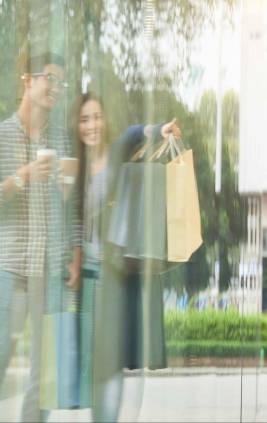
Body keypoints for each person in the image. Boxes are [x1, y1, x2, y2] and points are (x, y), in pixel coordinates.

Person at [71, 91, 181, 421]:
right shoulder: (75, 167)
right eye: (84, 119)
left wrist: (159, 129)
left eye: (97, 117)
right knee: (88, 361)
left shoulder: (116, 152)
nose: (91, 125)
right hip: (83, 280)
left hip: (112, 274)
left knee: (110, 359)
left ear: (105, 122)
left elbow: (135, 132)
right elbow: (73, 220)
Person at [0, 52, 81, 422]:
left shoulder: (60, 139)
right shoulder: (3, 135)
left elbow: (72, 204)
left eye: (60, 82)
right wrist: (23, 176)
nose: (55, 87)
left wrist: (75, 250)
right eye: (49, 77)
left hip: (48, 269)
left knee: (43, 373)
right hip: (10, 269)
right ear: (27, 81)